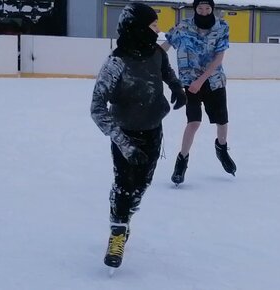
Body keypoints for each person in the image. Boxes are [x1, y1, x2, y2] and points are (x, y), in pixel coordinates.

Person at [90, 3, 186, 269]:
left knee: (141, 186)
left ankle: (124, 218)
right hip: (125, 135)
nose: (159, 30)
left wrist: (177, 88)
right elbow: (97, 108)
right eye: (154, 25)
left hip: (153, 130)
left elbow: (166, 71)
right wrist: (124, 145)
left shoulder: (156, 52)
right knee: (124, 185)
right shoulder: (116, 62)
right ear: (138, 28)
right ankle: (117, 233)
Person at [161, 0, 236, 185]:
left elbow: (219, 57)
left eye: (207, 8)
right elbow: (166, 45)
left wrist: (200, 81)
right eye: (200, 8)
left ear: (212, 9)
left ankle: (222, 148)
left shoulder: (222, 26)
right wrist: (148, 59)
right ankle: (181, 161)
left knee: (221, 121)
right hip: (189, 81)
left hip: (214, 80)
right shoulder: (184, 26)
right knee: (193, 122)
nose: (203, 12)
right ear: (195, 9)